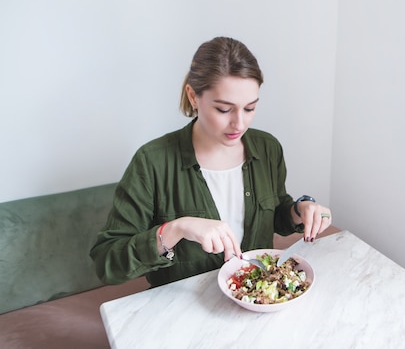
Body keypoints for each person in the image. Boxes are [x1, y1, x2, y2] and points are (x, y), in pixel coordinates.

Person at [90, 37, 333, 287]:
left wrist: (300, 211)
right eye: (224, 110)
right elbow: (107, 262)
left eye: (249, 108)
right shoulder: (152, 161)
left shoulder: (267, 148)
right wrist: (175, 229)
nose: (239, 124)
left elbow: (276, 214)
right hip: (185, 309)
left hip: (257, 300)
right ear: (194, 97)